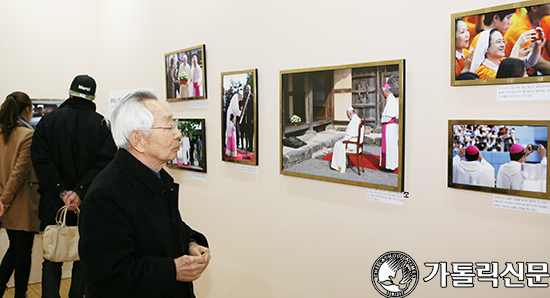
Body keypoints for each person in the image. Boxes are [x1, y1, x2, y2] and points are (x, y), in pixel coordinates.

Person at [79, 90, 211, 298]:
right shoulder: (106, 195)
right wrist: (172, 270)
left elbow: (166, 228)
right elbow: (107, 276)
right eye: (169, 127)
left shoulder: (155, 177)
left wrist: (191, 243)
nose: (178, 134)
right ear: (138, 140)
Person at [31, 75, 117, 298]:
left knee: (52, 256)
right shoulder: (102, 125)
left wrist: (62, 190)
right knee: (83, 256)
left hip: (53, 200)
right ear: (93, 97)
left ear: (69, 94)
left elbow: (41, 160)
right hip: (89, 202)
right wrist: (78, 191)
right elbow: (106, 162)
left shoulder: (48, 122)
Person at [0, 92, 40, 298]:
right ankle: (20, 294)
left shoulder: (2, 134)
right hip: (21, 202)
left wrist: (2, 200)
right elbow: (19, 172)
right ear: (26, 110)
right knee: (23, 252)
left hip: (5, 203)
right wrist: (4, 201)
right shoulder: (27, 135)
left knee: (14, 249)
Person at [504, 4, 550, 74]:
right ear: (534, 8)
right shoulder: (521, 30)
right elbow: (538, 63)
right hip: (519, 74)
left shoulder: (545, 19)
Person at [330, 106, 362, 173]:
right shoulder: (358, 119)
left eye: (348, 116)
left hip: (353, 143)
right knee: (339, 143)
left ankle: (339, 166)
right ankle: (344, 163)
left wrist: (343, 140)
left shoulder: (353, 121)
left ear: (350, 114)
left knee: (337, 145)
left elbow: (349, 135)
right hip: (357, 142)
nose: (348, 118)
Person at [380, 83, 399, 172]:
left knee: (390, 146)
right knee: (389, 146)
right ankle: (387, 164)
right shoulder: (390, 99)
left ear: (387, 91)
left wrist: (382, 117)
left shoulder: (391, 100)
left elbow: (388, 116)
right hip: (389, 127)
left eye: (383, 92)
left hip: (389, 128)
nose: (383, 94)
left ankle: (390, 166)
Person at [225, 88, 242, 156]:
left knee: (232, 133)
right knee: (231, 133)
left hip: (232, 115)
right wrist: (241, 113)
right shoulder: (235, 98)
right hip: (231, 115)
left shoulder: (235, 97)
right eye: (241, 97)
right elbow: (236, 110)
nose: (241, 99)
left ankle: (231, 151)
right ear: (239, 95)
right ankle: (231, 151)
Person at [240, 85, 255, 152]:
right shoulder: (245, 97)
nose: (247, 90)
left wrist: (252, 118)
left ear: (250, 89)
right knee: (247, 133)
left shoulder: (252, 97)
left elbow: (253, 108)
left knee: (251, 133)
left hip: (250, 118)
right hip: (246, 119)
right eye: (246, 89)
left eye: (248, 89)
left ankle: (251, 147)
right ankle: (248, 146)